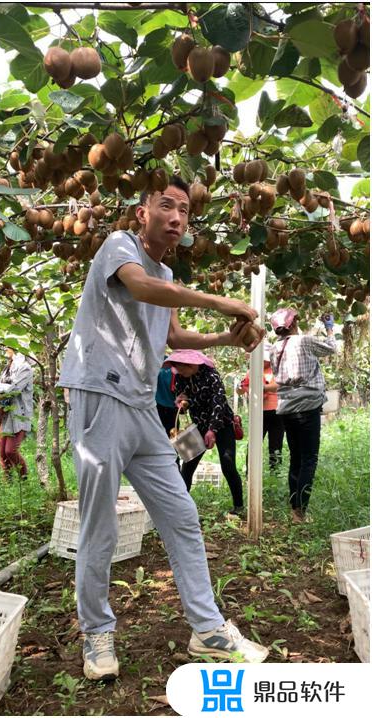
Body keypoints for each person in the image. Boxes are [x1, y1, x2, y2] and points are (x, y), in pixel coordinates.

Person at [59, 175, 268, 680]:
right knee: (100, 523)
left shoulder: (167, 269)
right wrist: (223, 303)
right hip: (100, 394)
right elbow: (142, 287)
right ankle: (96, 633)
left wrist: (223, 337)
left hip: (138, 407)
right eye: (167, 207)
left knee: (181, 514)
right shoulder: (119, 247)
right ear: (142, 213)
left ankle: (207, 629)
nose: (177, 218)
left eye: (185, 213)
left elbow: (172, 334)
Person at [269, 309, 336, 523]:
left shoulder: (274, 348)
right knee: (309, 459)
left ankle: (294, 508)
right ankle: (300, 512)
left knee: (296, 458)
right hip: (307, 406)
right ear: (293, 323)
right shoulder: (304, 341)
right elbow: (331, 348)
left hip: (287, 408)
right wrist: (329, 328)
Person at [164, 349, 244, 516]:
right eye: (177, 368)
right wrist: (181, 402)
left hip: (222, 424)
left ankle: (239, 506)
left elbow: (219, 403)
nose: (179, 371)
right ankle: (181, 509)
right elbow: (184, 402)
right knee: (188, 465)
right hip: (199, 425)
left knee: (228, 464)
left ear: (192, 365)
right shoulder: (180, 378)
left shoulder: (212, 376)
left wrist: (212, 430)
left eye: (181, 368)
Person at [239, 343, 285, 470]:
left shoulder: (278, 370)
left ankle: (275, 474)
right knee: (253, 445)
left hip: (277, 412)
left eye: (265, 359)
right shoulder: (252, 371)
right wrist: (245, 388)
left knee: (276, 446)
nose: (263, 362)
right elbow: (242, 388)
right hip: (259, 413)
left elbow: (280, 385)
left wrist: (261, 388)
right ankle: (250, 474)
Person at [0, 348, 33, 482]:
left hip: (19, 414)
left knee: (10, 451)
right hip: (6, 415)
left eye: (9, 345)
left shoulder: (25, 368)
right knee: (2, 453)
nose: (6, 348)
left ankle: (24, 481)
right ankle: (8, 484)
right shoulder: (8, 367)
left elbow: (16, 388)